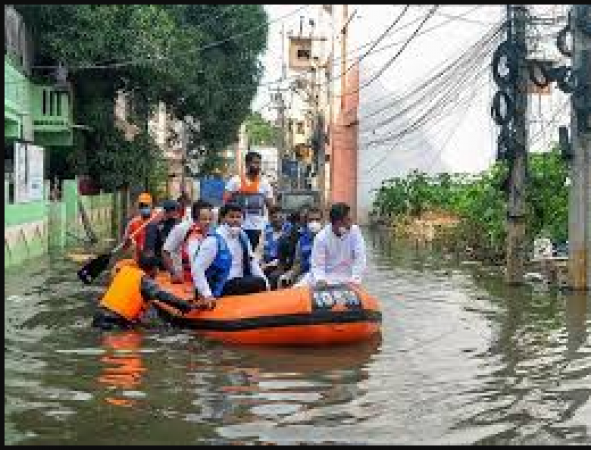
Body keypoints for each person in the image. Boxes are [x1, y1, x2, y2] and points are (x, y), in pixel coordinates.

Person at [92, 252, 199, 330]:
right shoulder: (144, 280)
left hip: (98, 316)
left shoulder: (124, 271)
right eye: (157, 269)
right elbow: (163, 296)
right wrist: (186, 306)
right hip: (114, 322)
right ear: (154, 269)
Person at [191, 203, 269, 307]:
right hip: (219, 285)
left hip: (238, 281)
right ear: (223, 219)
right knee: (257, 283)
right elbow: (197, 269)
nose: (235, 220)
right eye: (231, 216)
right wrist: (207, 294)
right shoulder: (213, 240)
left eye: (238, 217)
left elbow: (252, 261)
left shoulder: (243, 236)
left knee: (262, 281)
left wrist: (265, 282)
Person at [296, 202, 367, 287]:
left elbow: (360, 259)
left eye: (350, 220)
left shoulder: (355, 232)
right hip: (325, 277)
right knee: (297, 288)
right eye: (347, 221)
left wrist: (355, 280)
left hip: (348, 278)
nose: (350, 225)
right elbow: (317, 265)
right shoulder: (321, 237)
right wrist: (320, 279)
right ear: (337, 222)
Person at [223, 151, 274, 251]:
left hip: (257, 227)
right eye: (255, 163)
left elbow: (271, 206)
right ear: (247, 164)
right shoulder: (235, 181)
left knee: (251, 255)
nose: (258, 166)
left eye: (259, 163)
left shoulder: (265, 183)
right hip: (237, 226)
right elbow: (225, 202)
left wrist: (271, 225)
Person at [162, 200, 214, 284]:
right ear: (195, 217)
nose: (208, 221)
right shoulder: (181, 228)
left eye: (210, 217)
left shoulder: (211, 229)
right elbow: (165, 252)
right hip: (183, 280)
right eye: (205, 217)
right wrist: (174, 274)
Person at [279, 206, 324, 287]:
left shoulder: (328, 238)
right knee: (283, 280)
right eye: (311, 220)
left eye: (317, 220)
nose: (314, 222)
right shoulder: (302, 240)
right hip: (305, 275)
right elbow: (297, 264)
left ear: (322, 221)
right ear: (306, 222)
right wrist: (290, 275)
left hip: (324, 276)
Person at [143, 199, 181, 270]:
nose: (177, 214)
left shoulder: (173, 222)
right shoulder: (153, 225)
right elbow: (150, 249)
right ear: (170, 211)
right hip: (159, 260)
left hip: (171, 258)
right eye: (176, 211)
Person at [122, 192, 159, 262]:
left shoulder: (158, 219)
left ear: (152, 205)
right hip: (139, 259)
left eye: (147, 205)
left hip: (155, 259)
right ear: (139, 206)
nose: (144, 207)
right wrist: (127, 241)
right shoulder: (133, 223)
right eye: (142, 205)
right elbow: (125, 247)